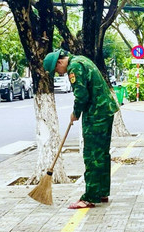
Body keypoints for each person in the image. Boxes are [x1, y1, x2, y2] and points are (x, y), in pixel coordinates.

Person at [43, 48, 121, 209]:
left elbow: (81, 95)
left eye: (57, 71)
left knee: (92, 155)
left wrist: (75, 113)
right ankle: (101, 191)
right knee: (102, 153)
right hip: (105, 111)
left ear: (59, 62)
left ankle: (90, 197)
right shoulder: (81, 60)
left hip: (96, 114)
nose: (59, 73)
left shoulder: (74, 67)